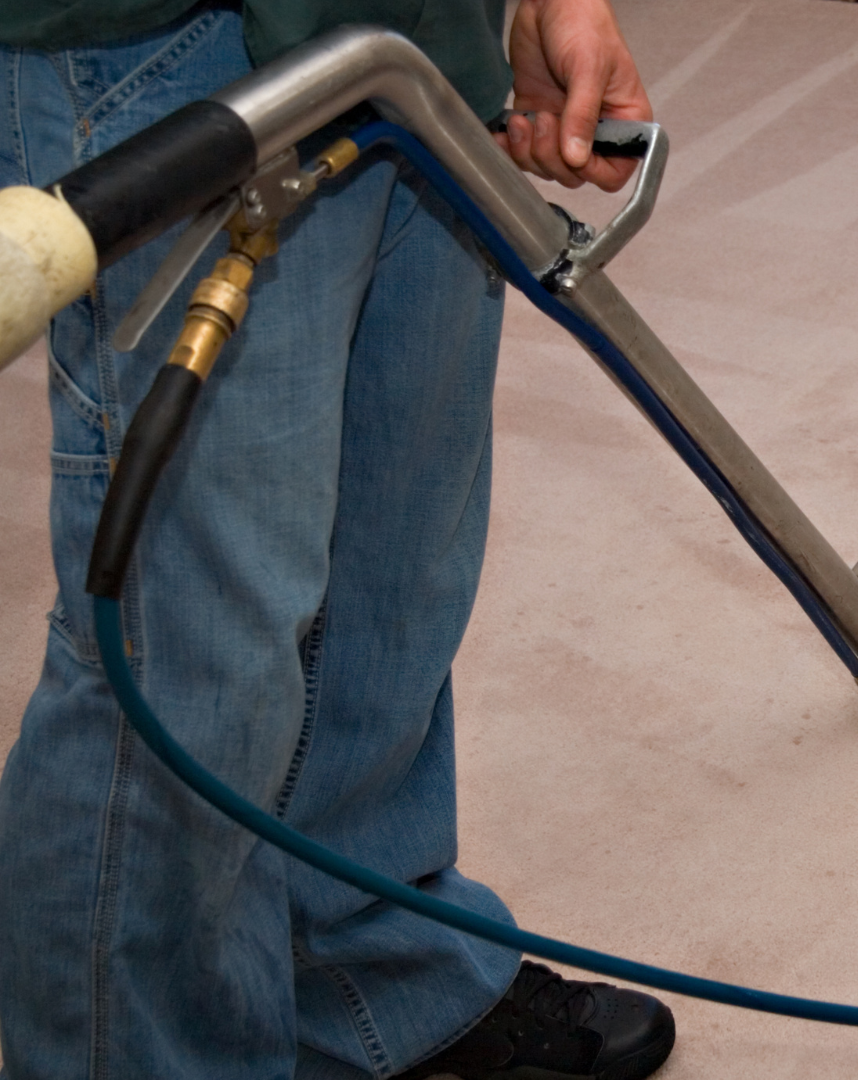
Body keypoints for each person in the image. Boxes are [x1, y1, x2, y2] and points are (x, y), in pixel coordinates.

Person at [0, 1, 672, 1077]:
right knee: (195, 657)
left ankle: (361, 980)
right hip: (173, 46)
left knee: (387, 580)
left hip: (419, 36)